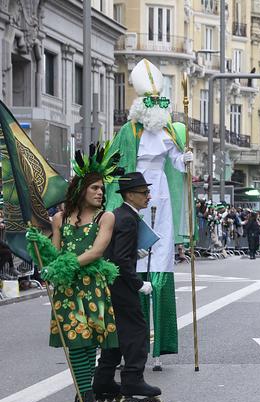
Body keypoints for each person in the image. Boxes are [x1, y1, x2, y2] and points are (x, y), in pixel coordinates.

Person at [104, 59, 193, 371]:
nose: (157, 107)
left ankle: (159, 346)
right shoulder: (128, 132)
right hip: (134, 198)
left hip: (162, 198)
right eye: (151, 102)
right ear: (141, 104)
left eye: (160, 102)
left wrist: (186, 159)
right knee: (134, 263)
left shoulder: (168, 130)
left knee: (161, 263)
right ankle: (131, 344)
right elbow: (113, 168)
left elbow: (178, 163)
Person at [25, 145, 122, 402]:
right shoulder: (59, 219)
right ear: (81, 189)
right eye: (94, 188)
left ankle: (83, 399)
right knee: (75, 344)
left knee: (87, 341)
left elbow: (96, 252)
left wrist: (64, 266)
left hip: (91, 286)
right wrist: (40, 246)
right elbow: (54, 254)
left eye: (102, 189)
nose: (100, 193)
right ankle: (85, 399)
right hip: (68, 289)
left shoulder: (107, 217)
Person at [93, 172, 162, 402]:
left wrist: (135, 252)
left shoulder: (121, 215)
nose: (148, 196)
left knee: (117, 333)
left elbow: (115, 253)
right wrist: (138, 284)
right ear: (130, 195)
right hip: (122, 286)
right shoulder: (128, 219)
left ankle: (102, 381)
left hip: (112, 285)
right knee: (136, 331)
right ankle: (133, 379)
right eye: (144, 193)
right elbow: (121, 260)